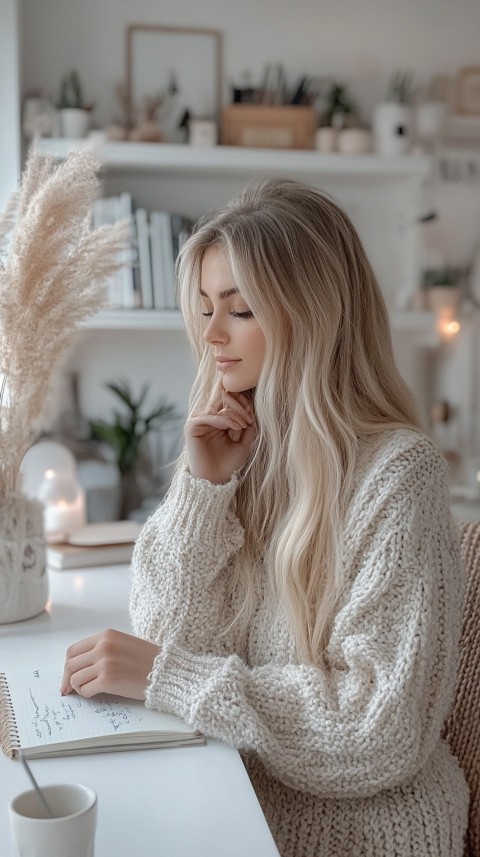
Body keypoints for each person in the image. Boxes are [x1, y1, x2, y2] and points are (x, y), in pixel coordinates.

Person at [62, 178, 469, 856]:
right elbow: (169, 632)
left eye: (240, 309)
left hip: (357, 836)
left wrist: (172, 675)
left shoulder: (399, 476)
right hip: (231, 802)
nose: (211, 335)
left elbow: (379, 728)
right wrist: (202, 489)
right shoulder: (240, 447)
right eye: (204, 308)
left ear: (313, 315)